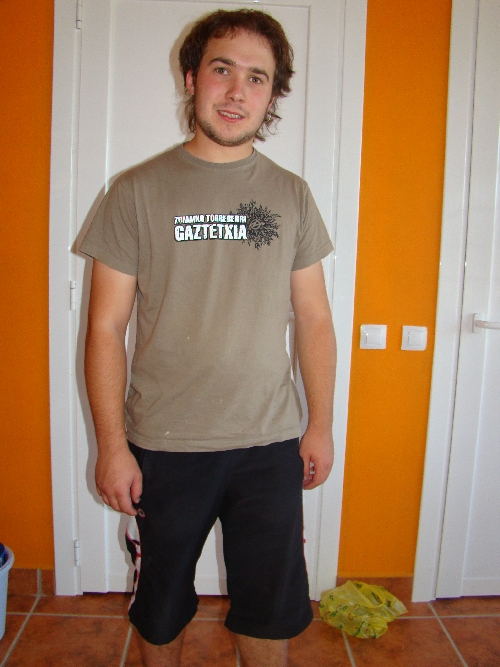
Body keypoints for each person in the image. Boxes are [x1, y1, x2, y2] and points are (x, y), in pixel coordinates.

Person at [81, 9, 336, 667]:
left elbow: (314, 318)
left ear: (272, 95)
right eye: (223, 69)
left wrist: (320, 424)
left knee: (269, 608)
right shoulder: (134, 192)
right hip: (164, 444)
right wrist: (112, 446)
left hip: (268, 443)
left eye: (257, 77)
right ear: (192, 78)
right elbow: (105, 327)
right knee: (161, 610)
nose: (237, 91)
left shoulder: (292, 195)